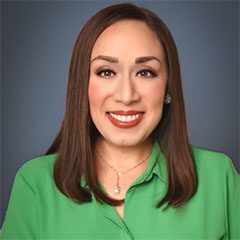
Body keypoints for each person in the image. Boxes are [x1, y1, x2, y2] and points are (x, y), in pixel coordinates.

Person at [1, 2, 239, 239]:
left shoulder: (219, 178)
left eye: (145, 72)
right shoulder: (35, 184)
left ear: (168, 85)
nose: (126, 96)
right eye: (106, 72)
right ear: (81, 85)